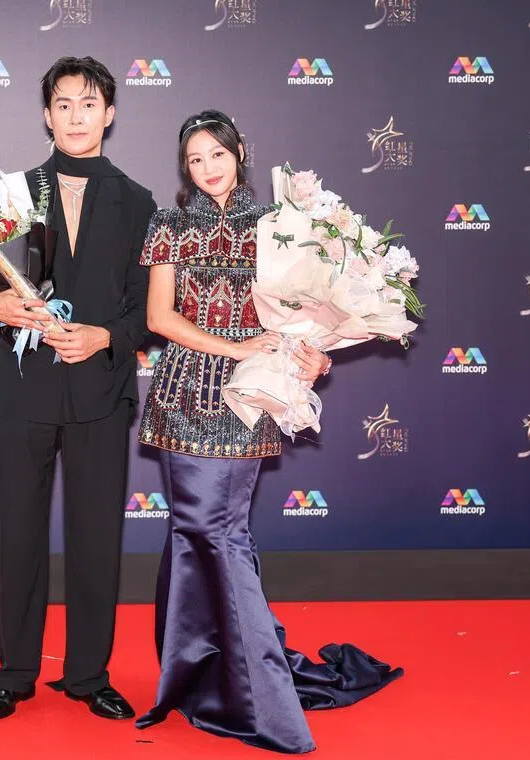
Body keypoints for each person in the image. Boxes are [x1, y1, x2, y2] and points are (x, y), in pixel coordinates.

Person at [134, 110, 403, 753]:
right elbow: (159, 318)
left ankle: (252, 689)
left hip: (249, 397)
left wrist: (317, 351)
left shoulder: (280, 227)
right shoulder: (169, 225)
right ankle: (204, 675)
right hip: (183, 393)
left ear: (240, 151)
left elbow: (311, 311)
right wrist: (233, 345)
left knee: (220, 532)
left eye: (217, 154)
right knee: (192, 531)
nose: (208, 167)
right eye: (195, 159)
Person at [0, 56, 157, 722]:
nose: (75, 116)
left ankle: (90, 674)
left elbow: (146, 311)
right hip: (24, 392)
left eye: (88, 104)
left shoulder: (138, 201)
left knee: (98, 538)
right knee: (19, 537)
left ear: (110, 113)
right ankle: (12, 674)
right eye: (63, 104)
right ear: (46, 114)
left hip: (100, 390)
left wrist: (103, 338)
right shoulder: (10, 196)